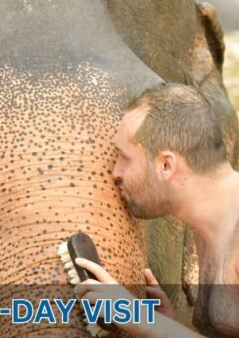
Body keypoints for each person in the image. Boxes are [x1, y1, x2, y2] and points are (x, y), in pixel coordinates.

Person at [75, 83, 239, 337]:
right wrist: (170, 324)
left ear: (166, 165)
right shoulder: (209, 224)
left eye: (124, 158)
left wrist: (142, 320)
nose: (116, 173)